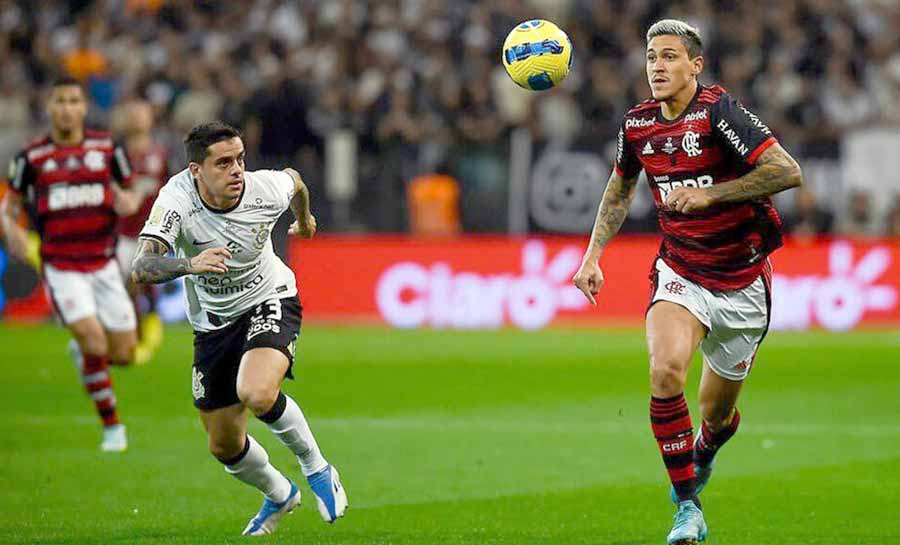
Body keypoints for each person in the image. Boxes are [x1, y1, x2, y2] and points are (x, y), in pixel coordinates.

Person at [572, 20, 802, 545]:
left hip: (742, 283)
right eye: (652, 57)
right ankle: (687, 508)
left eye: (670, 57)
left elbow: (787, 171)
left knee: (717, 415)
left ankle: (707, 449)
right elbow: (619, 187)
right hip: (680, 272)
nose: (657, 66)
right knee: (665, 371)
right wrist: (593, 256)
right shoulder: (638, 125)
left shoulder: (719, 112)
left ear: (695, 65)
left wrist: (714, 194)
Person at [130, 121, 347, 535]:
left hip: (270, 296)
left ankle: (317, 468)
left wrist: (303, 220)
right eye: (224, 162)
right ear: (196, 170)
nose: (236, 171)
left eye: (240, 159)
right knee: (223, 444)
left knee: (256, 391)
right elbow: (142, 266)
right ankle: (280, 494)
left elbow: (295, 182)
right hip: (212, 322)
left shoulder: (263, 189)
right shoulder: (176, 199)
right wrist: (189, 263)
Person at [1, 77, 146, 452]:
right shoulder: (31, 157)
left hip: (104, 264)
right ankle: (113, 427)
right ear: (49, 108)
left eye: (73, 101)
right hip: (61, 267)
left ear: (83, 108)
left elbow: (128, 190)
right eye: (59, 101)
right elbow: (11, 206)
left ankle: (83, 353)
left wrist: (127, 201)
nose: (66, 108)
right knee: (96, 342)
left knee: (126, 354)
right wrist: (11, 231)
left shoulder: (107, 148)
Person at [112, 99, 169, 363]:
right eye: (132, 113)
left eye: (142, 114)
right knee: (121, 290)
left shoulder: (160, 154)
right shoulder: (117, 156)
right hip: (122, 234)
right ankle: (132, 337)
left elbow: (172, 190)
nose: (137, 119)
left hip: (152, 233)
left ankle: (144, 334)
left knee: (136, 284)